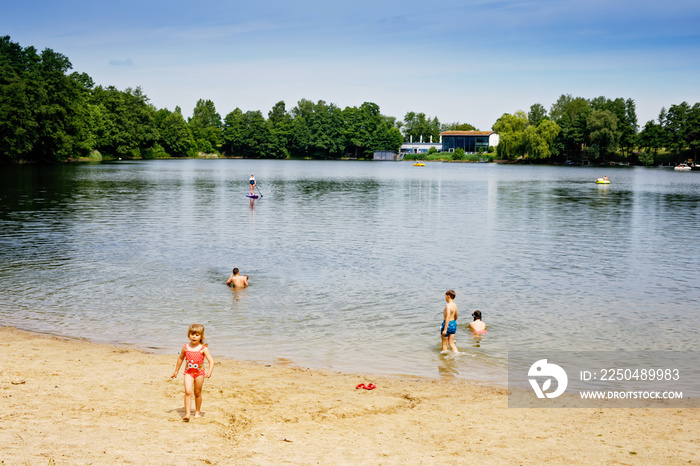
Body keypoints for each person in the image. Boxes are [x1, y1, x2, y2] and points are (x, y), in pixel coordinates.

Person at [171, 324, 214, 421]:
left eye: (197, 335)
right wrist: (176, 371)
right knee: (188, 392)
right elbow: (180, 359)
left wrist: (209, 372)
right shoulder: (185, 347)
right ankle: (187, 414)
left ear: (201, 336)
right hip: (188, 373)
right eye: (192, 334)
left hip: (199, 374)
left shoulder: (203, 348)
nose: (194, 336)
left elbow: (211, 361)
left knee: (197, 393)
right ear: (188, 335)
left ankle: (197, 412)